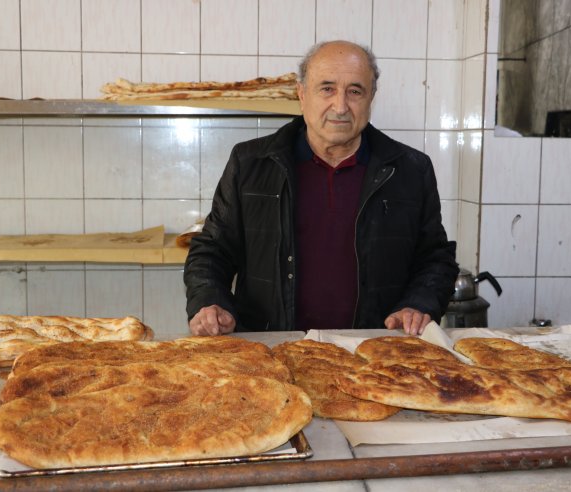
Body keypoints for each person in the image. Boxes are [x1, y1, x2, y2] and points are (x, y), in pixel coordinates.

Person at [184, 40, 458, 337]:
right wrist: (209, 300)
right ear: (301, 94)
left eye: (355, 91)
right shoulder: (251, 163)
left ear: (371, 98)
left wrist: (418, 303)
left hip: (374, 354)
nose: (340, 106)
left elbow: (434, 259)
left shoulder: (410, 170)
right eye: (327, 88)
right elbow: (212, 250)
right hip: (272, 350)